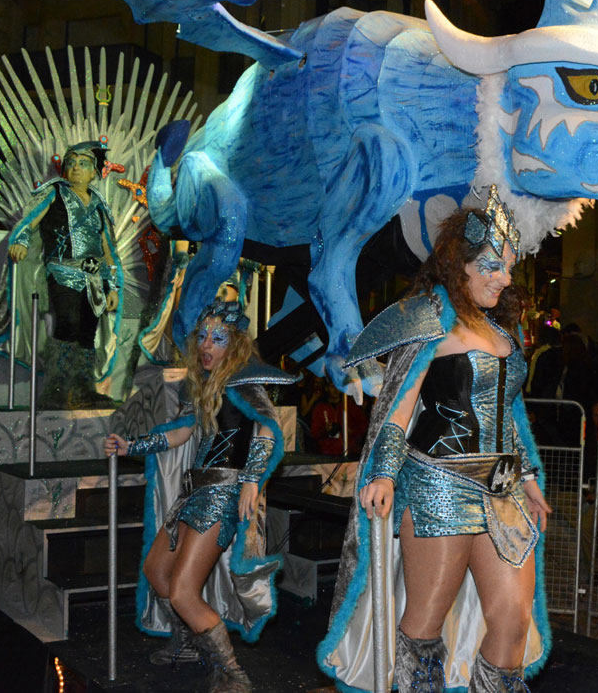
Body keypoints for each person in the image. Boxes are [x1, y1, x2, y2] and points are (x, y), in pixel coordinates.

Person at [318, 186, 552, 693]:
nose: (503, 277)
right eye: (490, 265)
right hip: (438, 485)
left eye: (507, 267)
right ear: (459, 265)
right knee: (424, 624)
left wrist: (529, 477)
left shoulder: (503, 332)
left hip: (504, 491)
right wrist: (381, 473)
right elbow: (398, 406)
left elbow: (511, 413)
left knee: (512, 622)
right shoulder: (429, 320)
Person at [105, 299, 291, 692]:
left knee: (184, 591)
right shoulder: (205, 383)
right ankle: (191, 643)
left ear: (235, 344)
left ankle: (232, 674)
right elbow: (183, 430)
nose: (207, 345)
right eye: (203, 337)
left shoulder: (244, 380)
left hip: (222, 493)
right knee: (157, 570)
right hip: (195, 492)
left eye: (218, 338)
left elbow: (268, 427)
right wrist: (131, 446)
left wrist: (253, 479)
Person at [0, 140, 123, 408]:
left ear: (94, 172)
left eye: (84, 164)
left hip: (94, 279)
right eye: (71, 163)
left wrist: (113, 286)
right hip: (62, 271)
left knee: (88, 333)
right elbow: (28, 221)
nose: (76, 168)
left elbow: (109, 249)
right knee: (67, 323)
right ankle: (56, 389)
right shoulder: (53, 193)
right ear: (64, 169)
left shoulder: (100, 205)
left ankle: (83, 391)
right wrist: (19, 240)